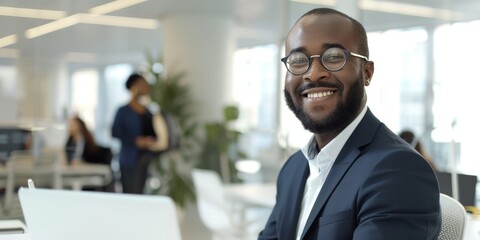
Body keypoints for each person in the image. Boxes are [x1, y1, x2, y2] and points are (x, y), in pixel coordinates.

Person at [258, 8, 440, 240]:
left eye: (334, 57)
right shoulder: (294, 168)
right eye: (298, 60)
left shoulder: (398, 169)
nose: (313, 74)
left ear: (367, 72)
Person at [112, 73, 157, 194]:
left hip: (144, 159)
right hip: (128, 159)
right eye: (142, 84)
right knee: (130, 192)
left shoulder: (148, 111)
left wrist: (149, 141)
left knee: (140, 193)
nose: (146, 86)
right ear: (134, 87)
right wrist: (135, 141)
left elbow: (153, 132)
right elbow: (115, 132)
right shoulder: (123, 111)